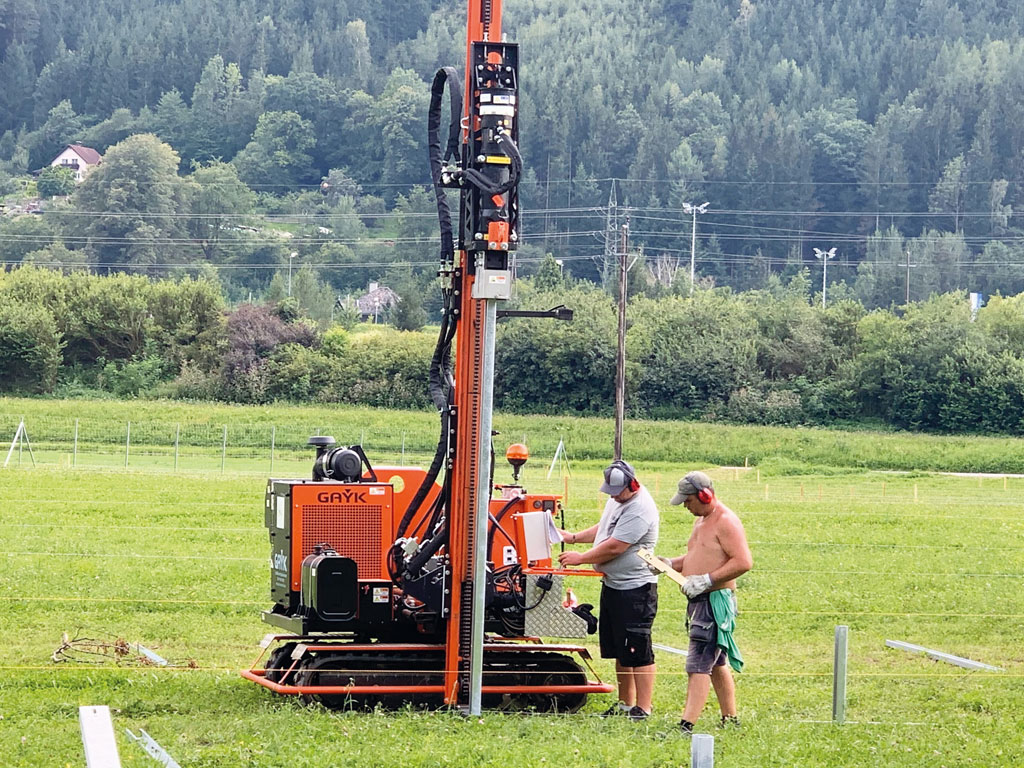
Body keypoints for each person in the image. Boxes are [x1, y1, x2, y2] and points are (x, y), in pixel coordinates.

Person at [558, 459, 660, 721]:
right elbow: (604, 529)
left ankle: (643, 708)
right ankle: (626, 703)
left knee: (638, 649)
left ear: (632, 485)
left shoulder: (640, 509)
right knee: (621, 650)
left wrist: (581, 557)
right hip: (614, 585)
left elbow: (615, 545)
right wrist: (573, 537)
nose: (613, 496)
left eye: (617, 492)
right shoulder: (618, 499)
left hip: (635, 589)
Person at [664, 470, 752, 735]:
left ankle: (686, 725)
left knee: (698, 664)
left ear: (704, 495)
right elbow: (696, 557)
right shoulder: (701, 521)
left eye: (688, 501)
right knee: (716, 662)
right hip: (700, 599)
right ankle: (730, 717)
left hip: (714, 602)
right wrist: (669, 564)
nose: (686, 506)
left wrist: (707, 580)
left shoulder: (726, 521)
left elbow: (743, 561)